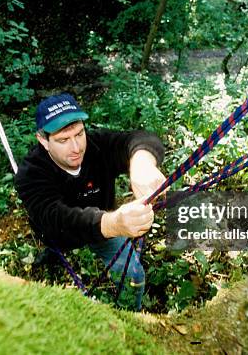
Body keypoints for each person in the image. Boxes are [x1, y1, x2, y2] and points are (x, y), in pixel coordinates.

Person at [15, 93, 166, 310]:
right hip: (62, 234)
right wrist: (113, 223)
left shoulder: (97, 146)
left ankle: (132, 319)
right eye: (63, 140)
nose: (76, 148)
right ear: (43, 141)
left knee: (133, 276)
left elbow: (140, 140)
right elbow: (55, 219)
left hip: (104, 228)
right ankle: (53, 255)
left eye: (79, 134)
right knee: (56, 244)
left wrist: (141, 162)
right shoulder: (31, 173)